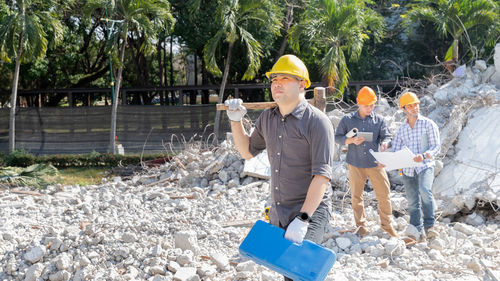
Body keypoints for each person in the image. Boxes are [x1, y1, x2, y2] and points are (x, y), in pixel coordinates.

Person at [224, 55, 335, 281]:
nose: (277, 84)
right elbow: (247, 151)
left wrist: (303, 218)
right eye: (274, 79)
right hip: (280, 211)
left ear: (302, 83)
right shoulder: (268, 118)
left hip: (311, 212)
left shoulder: (317, 122)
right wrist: (235, 121)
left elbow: (322, 177)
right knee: (288, 273)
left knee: (302, 273)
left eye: (285, 78)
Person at [334, 86, 398, 237]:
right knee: (356, 196)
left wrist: (385, 143)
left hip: (375, 164)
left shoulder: (379, 120)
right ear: (358, 103)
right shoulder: (347, 120)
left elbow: (387, 137)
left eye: (372, 105)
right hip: (355, 163)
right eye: (366, 105)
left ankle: (387, 226)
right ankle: (361, 226)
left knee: (384, 194)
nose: (370, 108)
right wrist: (350, 140)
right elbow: (337, 137)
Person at [391, 92, 440, 242]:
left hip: (425, 165)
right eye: (410, 106)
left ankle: (430, 226)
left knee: (425, 190)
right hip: (408, 169)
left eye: (416, 105)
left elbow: (436, 146)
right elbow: (396, 150)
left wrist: (424, 156)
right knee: (412, 200)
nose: (414, 108)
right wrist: (388, 161)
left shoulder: (428, 124)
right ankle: (415, 229)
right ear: (404, 109)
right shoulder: (401, 130)